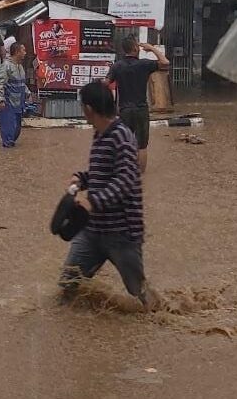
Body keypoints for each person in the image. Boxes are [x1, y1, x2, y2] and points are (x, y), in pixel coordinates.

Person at [59, 80, 150, 309]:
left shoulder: (121, 136)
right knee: (68, 286)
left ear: (88, 109)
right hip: (93, 231)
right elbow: (104, 172)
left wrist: (93, 201)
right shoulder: (100, 134)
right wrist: (82, 179)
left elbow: (127, 179)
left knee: (141, 297)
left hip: (122, 234)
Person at [104, 37, 169, 173]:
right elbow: (165, 62)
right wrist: (151, 48)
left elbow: (105, 83)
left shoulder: (117, 66)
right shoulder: (144, 64)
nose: (140, 48)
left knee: (123, 143)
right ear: (134, 49)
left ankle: (124, 172)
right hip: (141, 110)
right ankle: (140, 178)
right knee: (142, 145)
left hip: (124, 111)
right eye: (138, 46)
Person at [0, 43, 31, 148]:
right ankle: (7, 145)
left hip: (18, 103)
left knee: (17, 128)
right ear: (17, 52)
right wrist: (0, 100)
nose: (25, 53)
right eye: (23, 50)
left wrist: (28, 93)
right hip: (8, 102)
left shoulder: (19, 67)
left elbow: (22, 83)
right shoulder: (6, 66)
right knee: (8, 126)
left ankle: (10, 142)